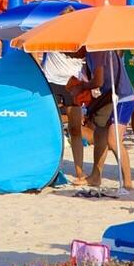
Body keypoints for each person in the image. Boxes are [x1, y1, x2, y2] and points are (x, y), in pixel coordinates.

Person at [75, 48, 134, 193]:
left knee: (113, 140)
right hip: (110, 96)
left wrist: (81, 87)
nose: (70, 54)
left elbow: (98, 81)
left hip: (123, 97)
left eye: (71, 51)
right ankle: (95, 176)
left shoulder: (97, 52)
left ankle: (128, 182)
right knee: (100, 133)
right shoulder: (92, 54)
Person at [40, 51, 88, 182]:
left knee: (75, 129)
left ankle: (79, 171)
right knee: (52, 129)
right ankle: (53, 169)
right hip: (51, 80)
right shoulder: (49, 31)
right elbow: (35, 51)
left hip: (73, 80)